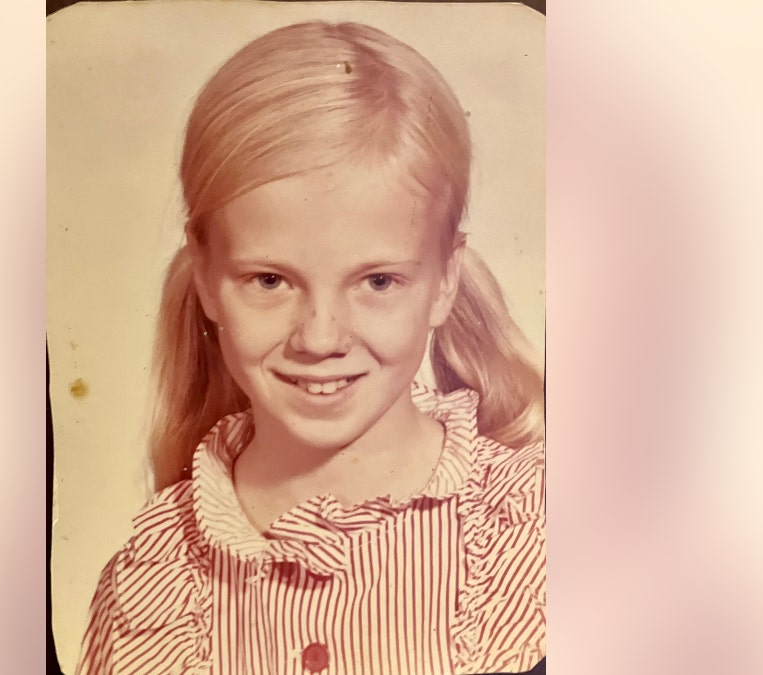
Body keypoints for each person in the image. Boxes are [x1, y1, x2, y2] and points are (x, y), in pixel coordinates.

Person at [77, 20, 545, 675]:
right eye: (269, 280)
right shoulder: (147, 580)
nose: (321, 337)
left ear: (444, 282)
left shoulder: (540, 533)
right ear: (208, 278)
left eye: (378, 281)